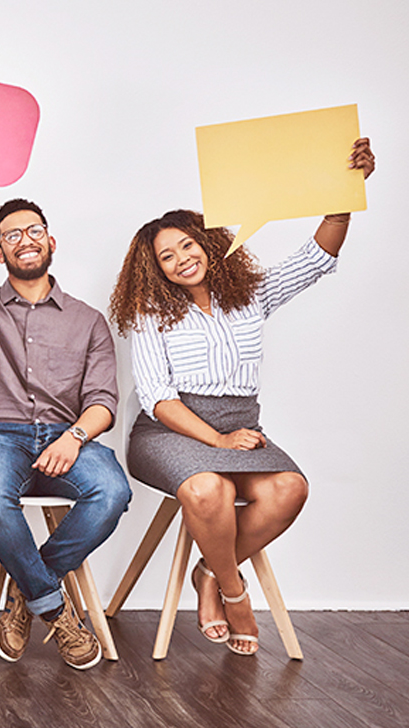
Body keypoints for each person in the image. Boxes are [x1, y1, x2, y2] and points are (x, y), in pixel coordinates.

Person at [109, 138, 375, 656]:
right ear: (156, 270)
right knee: (210, 490)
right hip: (169, 430)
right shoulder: (149, 312)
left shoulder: (250, 296)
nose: (181, 259)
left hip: (239, 424)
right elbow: (159, 398)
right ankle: (234, 595)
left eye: (188, 245)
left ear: (209, 244)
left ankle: (209, 571)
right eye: (167, 256)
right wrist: (217, 438)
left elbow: (316, 258)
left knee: (289, 489)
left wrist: (344, 195)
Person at [0, 171, 130, 670]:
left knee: (113, 491)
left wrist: (75, 437)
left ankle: (27, 587)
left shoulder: (88, 320)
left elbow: (103, 401)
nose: (24, 240)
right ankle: (54, 608)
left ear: (50, 240)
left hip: (67, 437)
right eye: (11, 234)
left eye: (33, 230)